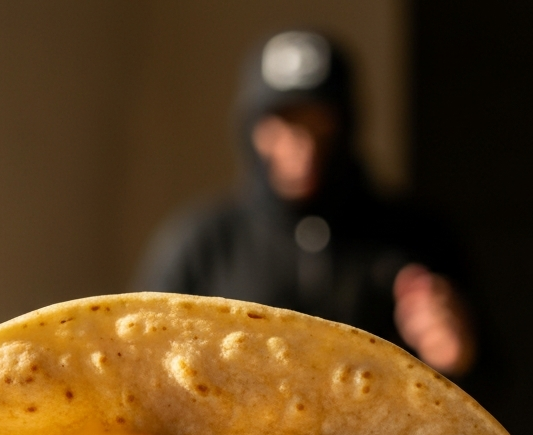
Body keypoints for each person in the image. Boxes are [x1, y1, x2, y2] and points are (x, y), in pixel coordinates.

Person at [135, 30, 476, 377]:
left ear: (348, 124)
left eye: (319, 122)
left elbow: (487, 389)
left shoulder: (416, 237)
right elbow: (142, 371)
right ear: (251, 128)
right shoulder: (204, 242)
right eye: (284, 121)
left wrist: (453, 357)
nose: (302, 144)